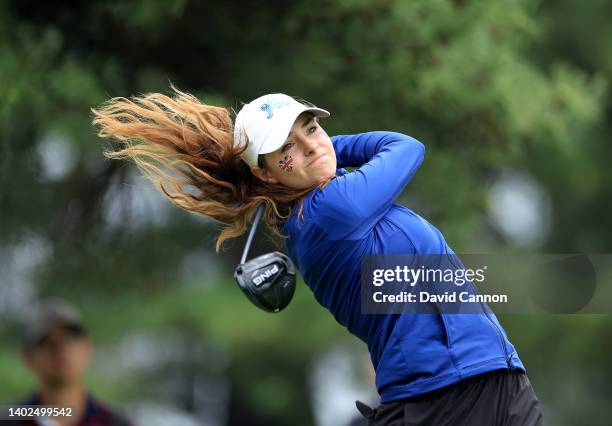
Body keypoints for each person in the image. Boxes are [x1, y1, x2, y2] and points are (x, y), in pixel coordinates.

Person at [91, 88, 543, 425]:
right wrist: (330, 150)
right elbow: (406, 147)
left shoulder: (332, 197)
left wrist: (316, 151)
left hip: (496, 374)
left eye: (312, 128)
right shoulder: (329, 212)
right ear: (262, 172)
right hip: (443, 397)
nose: (309, 146)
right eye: (286, 149)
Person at [11, 298, 132, 426]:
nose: (61, 349)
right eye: (46, 342)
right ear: (27, 358)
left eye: (70, 338)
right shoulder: (10, 420)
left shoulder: (115, 423)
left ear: (87, 348)